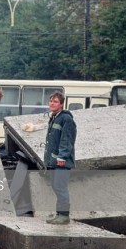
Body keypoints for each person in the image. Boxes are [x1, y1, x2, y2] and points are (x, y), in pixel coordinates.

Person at [44, 92, 77, 225]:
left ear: (62, 104)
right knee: (55, 186)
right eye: (51, 101)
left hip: (62, 161)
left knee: (60, 187)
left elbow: (67, 140)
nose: (52, 103)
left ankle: (64, 215)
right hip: (54, 161)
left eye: (55, 101)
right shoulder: (54, 117)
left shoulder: (66, 119)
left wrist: (62, 156)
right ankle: (59, 214)